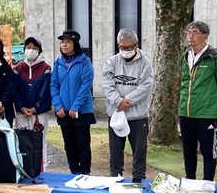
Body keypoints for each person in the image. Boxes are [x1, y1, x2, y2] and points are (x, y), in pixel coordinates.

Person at [102, 29, 154, 183]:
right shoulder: (112, 62)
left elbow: (145, 87)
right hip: (116, 113)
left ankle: (138, 179)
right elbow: (107, 84)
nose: (125, 50)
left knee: (139, 151)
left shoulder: (145, 63)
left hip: (138, 116)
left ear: (136, 45)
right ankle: (115, 178)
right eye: (122, 47)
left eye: (129, 47)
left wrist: (127, 101)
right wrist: (118, 101)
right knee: (115, 150)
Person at [179, 21, 217, 181]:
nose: (190, 36)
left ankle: (207, 183)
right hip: (186, 111)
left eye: (195, 33)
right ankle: (190, 180)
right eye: (188, 32)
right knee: (188, 150)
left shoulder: (215, 57)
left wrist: (211, 100)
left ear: (205, 36)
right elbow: (183, 81)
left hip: (207, 113)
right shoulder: (185, 55)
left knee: (208, 151)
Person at [50, 30, 96, 175]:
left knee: (83, 144)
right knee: (69, 144)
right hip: (63, 111)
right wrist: (57, 105)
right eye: (62, 42)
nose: (64, 45)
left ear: (75, 44)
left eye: (68, 42)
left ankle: (85, 173)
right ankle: (74, 172)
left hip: (82, 111)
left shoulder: (84, 62)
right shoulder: (58, 63)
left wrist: (76, 106)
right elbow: (53, 85)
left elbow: (86, 85)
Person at [13, 36, 52, 171]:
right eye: (28, 47)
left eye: (34, 48)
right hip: (21, 113)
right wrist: (20, 107)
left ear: (39, 51)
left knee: (40, 142)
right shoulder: (17, 68)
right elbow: (14, 91)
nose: (31, 50)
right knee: (22, 141)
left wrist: (36, 108)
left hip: (39, 114)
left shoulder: (46, 69)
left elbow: (46, 91)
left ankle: (41, 171)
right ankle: (23, 170)